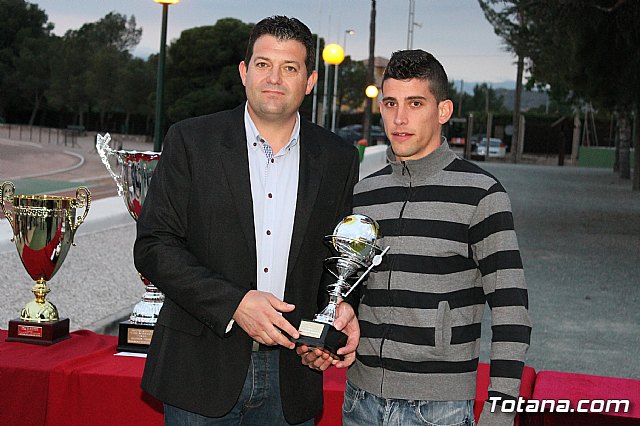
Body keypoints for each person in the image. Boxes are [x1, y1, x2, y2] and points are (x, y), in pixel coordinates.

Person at [133, 16, 360, 425]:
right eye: (262, 64)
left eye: (290, 67)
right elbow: (153, 246)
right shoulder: (190, 141)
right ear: (244, 71)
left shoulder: (338, 159)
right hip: (199, 373)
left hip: (292, 377)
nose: (274, 77)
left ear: (309, 81)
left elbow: (337, 262)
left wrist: (335, 319)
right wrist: (235, 304)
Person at [303, 49, 531, 425]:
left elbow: (511, 310)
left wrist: (500, 409)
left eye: (415, 103)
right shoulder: (365, 193)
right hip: (361, 400)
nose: (400, 118)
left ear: (443, 111)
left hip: (438, 409)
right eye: (390, 103)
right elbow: (354, 287)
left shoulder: (482, 194)